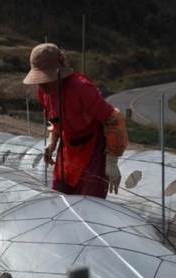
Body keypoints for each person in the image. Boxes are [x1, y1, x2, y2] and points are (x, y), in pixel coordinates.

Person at [23, 43, 128, 199]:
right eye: (39, 79)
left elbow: (113, 118)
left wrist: (111, 162)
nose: (42, 84)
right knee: (58, 198)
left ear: (58, 72)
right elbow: (56, 119)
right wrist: (52, 142)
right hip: (67, 149)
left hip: (92, 150)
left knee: (88, 203)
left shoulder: (81, 88)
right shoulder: (43, 91)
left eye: (46, 78)